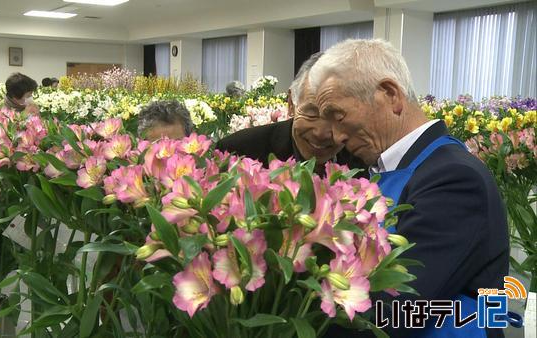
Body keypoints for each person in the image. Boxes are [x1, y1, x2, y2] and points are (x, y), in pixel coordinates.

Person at [309, 39, 508, 338]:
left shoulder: (454, 179)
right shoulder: (377, 169)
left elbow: (399, 309)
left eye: (339, 117)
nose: (336, 136)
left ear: (390, 95)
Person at [216, 52, 365, 174]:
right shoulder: (237, 151)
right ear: (291, 104)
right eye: (311, 114)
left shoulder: (363, 157)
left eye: (336, 118)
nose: (321, 133)